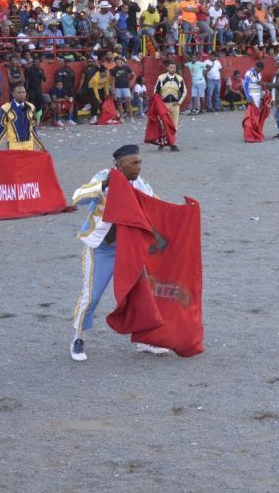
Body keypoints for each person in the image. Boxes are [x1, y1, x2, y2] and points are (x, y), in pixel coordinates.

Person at [69, 145, 167, 361]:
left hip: (128, 250)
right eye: (134, 163)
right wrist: (104, 185)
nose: (139, 167)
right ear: (119, 165)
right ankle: (78, 338)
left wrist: (181, 213)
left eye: (140, 162)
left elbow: (157, 205)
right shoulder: (104, 177)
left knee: (140, 295)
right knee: (92, 296)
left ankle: (143, 338)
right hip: (100, 249)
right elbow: (77, 196)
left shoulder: (140, 183)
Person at [0, 84, 45, 150]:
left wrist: (41, 146)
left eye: (23, 92)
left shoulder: (31, 107)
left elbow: (33, 129)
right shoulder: (6, 108)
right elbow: (2, 130)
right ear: (13, 94)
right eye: (19, 92)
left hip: (29, 144)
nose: (21, 94)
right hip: (14, 145)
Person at [153, 62, 185, 151]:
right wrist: (159, 103)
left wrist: (179, 102)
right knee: (163, 124)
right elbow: (156, 91)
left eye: (174, 68)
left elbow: (184, 91)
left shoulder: (179, 78)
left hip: (175, 104)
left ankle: (173, 143)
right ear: (167, 68)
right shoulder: (161, 77)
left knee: (174, 124)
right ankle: (163, 143)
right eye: (171, 67)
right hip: (164, 105)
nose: (172, 69)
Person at [261, 58, 279, 140]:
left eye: (277, 61)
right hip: (276, 96)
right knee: (276, 115)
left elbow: (277, 85)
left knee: (278, 115)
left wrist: (264, 83)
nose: (276, 62)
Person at [110, 56, 134, 121]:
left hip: (126, 87)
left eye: (118, 61)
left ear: (121, 61)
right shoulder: (113, 70)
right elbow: (113, 80)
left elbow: (134, 75)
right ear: (114, 62)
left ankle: (132, 117)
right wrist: (113, 89)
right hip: (118, 88)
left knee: (128, 102)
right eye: (116, 61)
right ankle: (121, 116)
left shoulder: (126, 67)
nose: (117, 62)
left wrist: (132, 81)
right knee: (119, 102)